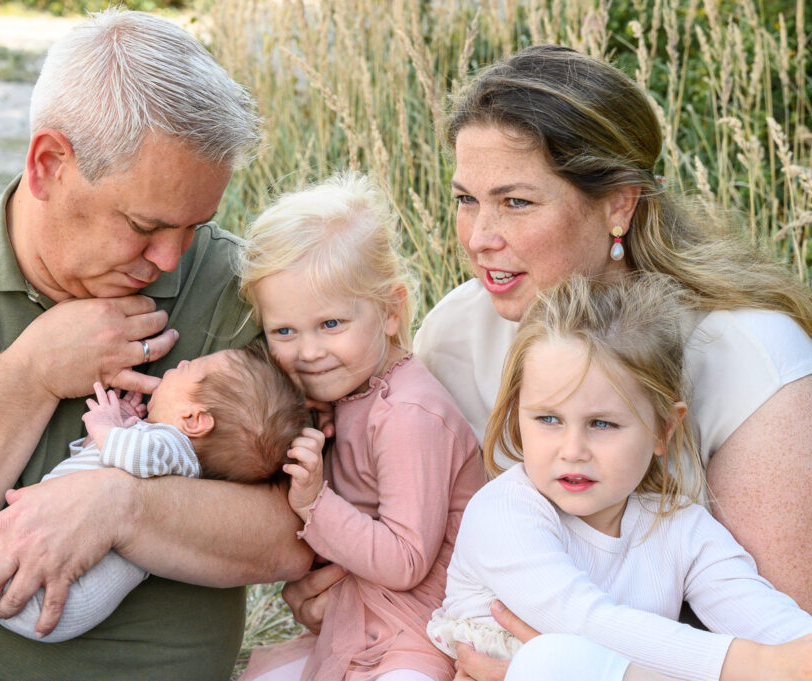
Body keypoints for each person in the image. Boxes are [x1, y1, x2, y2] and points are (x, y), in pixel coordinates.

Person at [281, 44, 812, 679]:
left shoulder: (751, 356)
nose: (480, 238)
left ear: (619, 204)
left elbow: (785, 631)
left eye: (515, 202)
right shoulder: (456, 332)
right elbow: (416, 524)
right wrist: (346, 588)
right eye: (466, 199)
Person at [0, 10, 314, 681]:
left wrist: (122, 507)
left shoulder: (237, 289)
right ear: (49, 164)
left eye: (196, 225)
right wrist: (30, 373)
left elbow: (296, 535)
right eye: (145, 224)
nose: (171, 259)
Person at [427, 273, 812, 681]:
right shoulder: (503, 513)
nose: (572, 450)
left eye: (602, 424)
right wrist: (763, 666)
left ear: (663, 429)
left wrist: (787, 657)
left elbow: (783, 635)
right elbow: (584, 621)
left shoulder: (678, 528)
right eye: (548, 419)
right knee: (552, 660)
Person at [0, 347, 309, 657]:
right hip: (65, 592)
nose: (178, 367)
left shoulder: (173, 452)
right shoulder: (169, 455)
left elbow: (124, 455)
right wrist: (123, 423)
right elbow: (99, 460)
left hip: (56, 595)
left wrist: (104, 424)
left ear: (194, 421)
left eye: (189, 368)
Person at [235, 173, 487, 681]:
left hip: (420, 632)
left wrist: (313, 503)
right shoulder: (350, 394)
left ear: (391, 310)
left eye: (331, 325)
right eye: (284, 331)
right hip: (362, 622)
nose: (308, 352)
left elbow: (405, 562)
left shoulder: (408, 415)